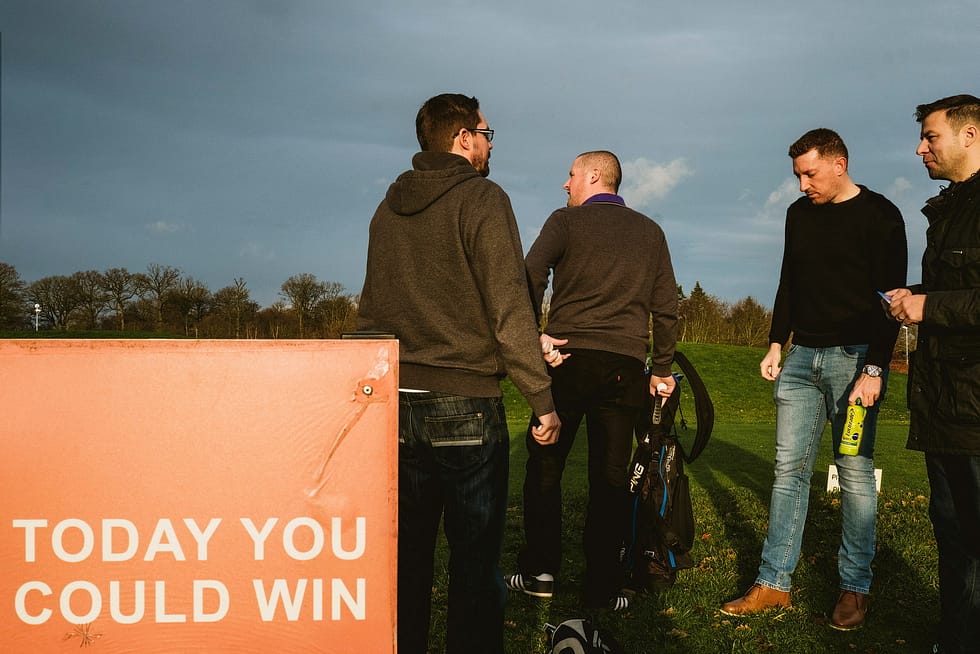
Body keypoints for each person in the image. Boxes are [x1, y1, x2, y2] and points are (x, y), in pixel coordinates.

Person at [357, 93, 561, 654]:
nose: (491, 145)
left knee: (405, 562)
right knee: (474, 566)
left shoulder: (385, 209)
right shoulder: (483, 198)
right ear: (463, 139)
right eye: (487, 134)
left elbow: (370, 312)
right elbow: (509, 307)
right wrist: (542, 399)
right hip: (465, 406)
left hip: (395, 405)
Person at [720, 128, 907, 630]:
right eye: (798, 176)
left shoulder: (882, 215)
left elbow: (892, 300)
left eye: (810, 174)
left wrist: (875, 368)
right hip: (801, 359)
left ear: (839, 164)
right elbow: (789, 279)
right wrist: (776, 342)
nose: (803, 185)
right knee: (789, 472)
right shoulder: (798, 215)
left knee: (854, 472)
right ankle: (773, 584)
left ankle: (854, 589)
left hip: (856, 361)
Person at [505, 150, 678, 611]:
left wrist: (531, 335)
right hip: (625, 368)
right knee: (610, 477)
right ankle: (601, 587)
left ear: (595, 176)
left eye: (571, 175)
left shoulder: (565, 221)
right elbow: (666, 306)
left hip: (568, 360)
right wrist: (661, 368)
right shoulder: (651, 232)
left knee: (545, 463)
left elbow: (530, 274)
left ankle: (540, 571)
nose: (566, 184)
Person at [883, 94, 980, 654]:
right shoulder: (947, 212)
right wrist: (915, 296)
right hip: (943, 405)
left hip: (977, 410)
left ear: (970, 136)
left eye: (930, 136)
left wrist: (929, 306)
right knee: (954, 537)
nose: (921, 148)